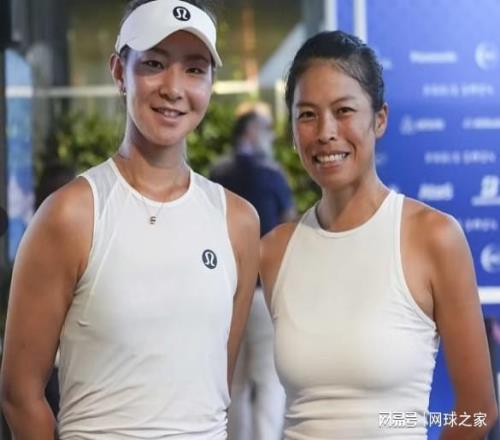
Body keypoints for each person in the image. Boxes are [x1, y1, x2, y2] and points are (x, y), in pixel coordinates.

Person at [0, 1, 260, 439]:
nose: (173, 88)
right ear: (120, 72)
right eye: (154, 64)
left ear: (211, 84)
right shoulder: (71, 215)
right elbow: (19, 395)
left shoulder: (238, 222)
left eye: (194, 69)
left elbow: (215, 391)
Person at [260, 30, 498, 439]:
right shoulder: (273, 251)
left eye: (343, 110)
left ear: (380, 119)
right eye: (307, 114)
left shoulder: (434, 237)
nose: (325, 131)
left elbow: (478, 411)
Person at [210, 104, 294, 440]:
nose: (272, 137)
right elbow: (288, 226)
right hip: (263, 293)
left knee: (234, 382)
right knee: (269, 382)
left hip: (225, 295)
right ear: (252, 132)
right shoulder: (272, 175)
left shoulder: (217, 176)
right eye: (267, 129)